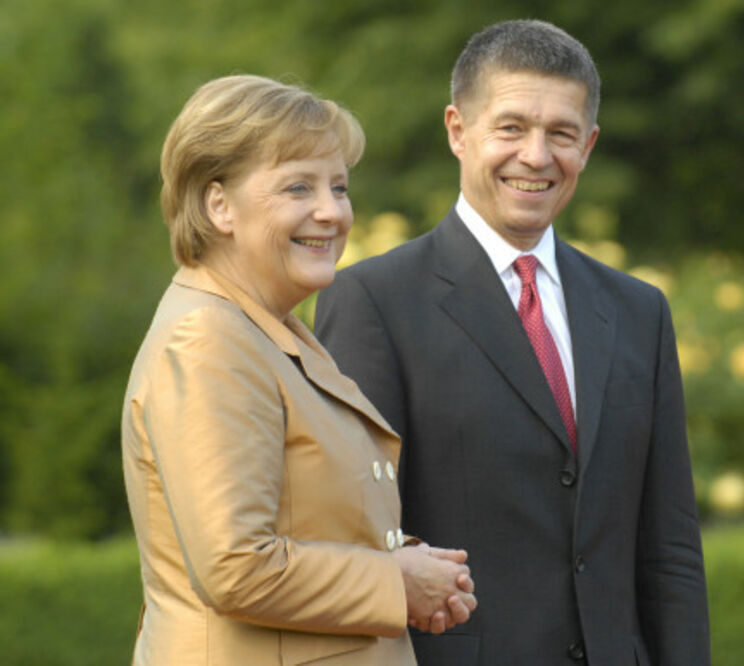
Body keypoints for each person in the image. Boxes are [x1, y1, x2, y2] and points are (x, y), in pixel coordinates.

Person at [315, 19, 710, 666]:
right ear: (457, 131)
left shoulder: (640, 311)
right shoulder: (374, 302)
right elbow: (352, 536)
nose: (536, 155)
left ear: (589, 146)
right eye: (511, 128)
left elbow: (669, 550)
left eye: (561, 134)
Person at [121, 74, 477, 666]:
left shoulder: (268, 328)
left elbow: (308, 513)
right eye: (297, 188)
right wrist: (395, 582)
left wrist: (415, 565)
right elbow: (236, 567)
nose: (331, 211)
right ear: (219, 206)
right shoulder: (208, 339)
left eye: (338, 186)